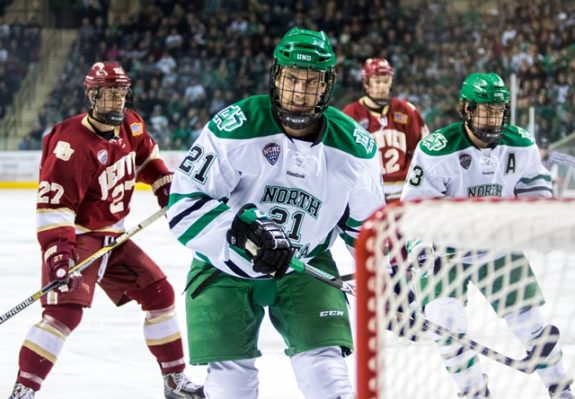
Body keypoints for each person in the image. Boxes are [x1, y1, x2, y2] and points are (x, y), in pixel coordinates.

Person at [166, 27, 384, 399]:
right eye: (292, 78)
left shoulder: (357, 149)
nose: (299, 92)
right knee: (232, 385)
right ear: (276, 77)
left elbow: (365, 227)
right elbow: (184, 207)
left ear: (327, 85)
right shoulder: (234, 128)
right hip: (224, 266)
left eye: (311, 81)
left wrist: (393, 273)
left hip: (306, 266)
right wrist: (240, 233)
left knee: (327, 377)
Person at [8, 61, 204, 399]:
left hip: (114, 238)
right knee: (62, 314)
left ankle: (174, 380)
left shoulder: (132, 124)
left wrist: (163, 187)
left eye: (120, 93)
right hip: (79, 238)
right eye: (107, 94)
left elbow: (148, 159)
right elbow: (55, 207)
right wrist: (59, 255)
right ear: (91, 95)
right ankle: (22, 391)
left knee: (161, 295)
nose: (115, 101)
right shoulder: (69, 145)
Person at [401, 72, 573, 398]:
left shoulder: (520, 143)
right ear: (465, 109)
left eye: (497, 110)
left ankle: (561, 390)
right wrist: (422, 245)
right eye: (484, 110)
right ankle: (475, 392)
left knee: (533, 323)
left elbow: (536, 192)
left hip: (496, 248)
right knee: (446, 324)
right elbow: (414, 209)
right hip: (445, 256)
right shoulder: (437, 150)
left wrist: (541, 223)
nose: (492, 118)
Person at [342, 57, 429, 204]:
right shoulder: (350, 114)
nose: (382, 86)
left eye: (385, 81)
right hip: (367, 191)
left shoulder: (406, 110)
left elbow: (423, 151)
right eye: (377, 81)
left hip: (403, 190)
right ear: (366, 83)